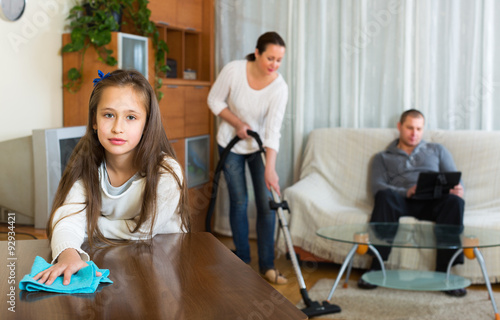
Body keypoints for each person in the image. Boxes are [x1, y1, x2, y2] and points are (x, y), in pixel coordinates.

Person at [34, 69, 190, 286]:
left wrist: (88, 222)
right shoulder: (86, 164)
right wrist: (69, 254)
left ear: (146, 124)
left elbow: (143, 232)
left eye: (131, 117)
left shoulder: (166, 172)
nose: (118, 128)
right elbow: (67, 218)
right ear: (94, 120)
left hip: (162, 265)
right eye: (108, 115)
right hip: (110, 258)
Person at [207, 32, 288, 284]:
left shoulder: (279, 88)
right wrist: (238, 123)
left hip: (260, 148)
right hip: (230, 145)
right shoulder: (234, 71)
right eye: (270, 58)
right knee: (239, 201)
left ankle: (268, 265)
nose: (274, 64)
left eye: (279, 60)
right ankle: (241, 260)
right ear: (257, 53)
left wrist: (270, 169)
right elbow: (214, 99)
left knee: (266, 205)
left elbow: (273, 131)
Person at [358, 109, 466, 297]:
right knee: (384, 197)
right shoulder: (382, 157)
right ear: (400, 127)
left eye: (419, 128)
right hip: (401, 201)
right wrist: (406, 191)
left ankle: (445, 272)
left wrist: (458, 190)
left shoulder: (437, 150)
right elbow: (377, 187)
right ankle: (376, 267)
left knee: (454, 202)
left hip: (433, 202)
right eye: (410, 128)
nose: (414, 133)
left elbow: (456, 179)